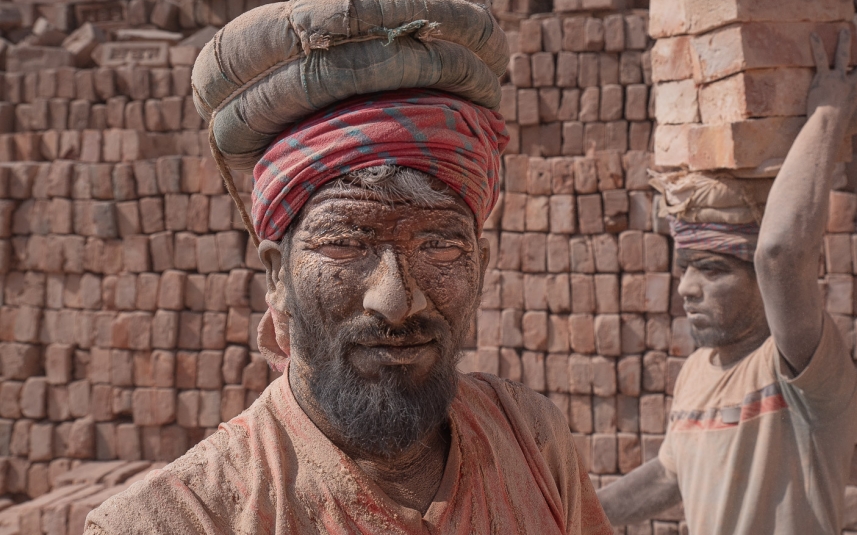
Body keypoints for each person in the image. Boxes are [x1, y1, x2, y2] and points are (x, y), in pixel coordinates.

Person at [84, 88, 613, 534]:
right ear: (277, 276)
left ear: (482, 267)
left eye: (441, 249)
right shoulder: (178, 519)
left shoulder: (530, 435)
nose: (396, 300)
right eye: (344, 245)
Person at [596, 30, 857, 534]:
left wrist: (826, 115)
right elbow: (671, 473)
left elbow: (781, 252)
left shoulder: (801, 368)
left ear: (761, 283)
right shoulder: (698, 371)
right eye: (685, 268)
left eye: (714, 268)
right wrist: (566, 514)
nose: (687, 288)